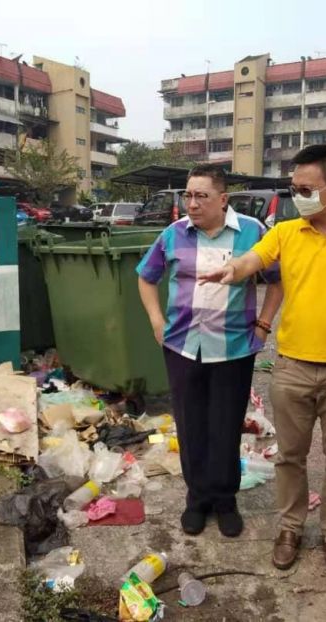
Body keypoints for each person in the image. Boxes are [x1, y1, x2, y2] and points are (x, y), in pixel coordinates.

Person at [198, 145, 326, 575]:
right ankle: (290, 527)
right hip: (291, 367)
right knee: (289, 456)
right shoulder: (287, 232)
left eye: (306, 188)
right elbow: (257, 257)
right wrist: (233, 270)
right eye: (294, 188)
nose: (299, 196)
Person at [136, 163, 283, 538]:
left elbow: (277, 281)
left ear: (223, 199)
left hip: (233, 347)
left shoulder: (252, 232)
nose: (192, 203)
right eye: (188, 195)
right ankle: (197, 498)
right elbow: (146, 276)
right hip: (183, 346)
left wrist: (264, 325)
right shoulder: (172, 235)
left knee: (225, 423)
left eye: (201, 196)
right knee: (190, 423)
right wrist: (156, 320)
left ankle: (225, 498)